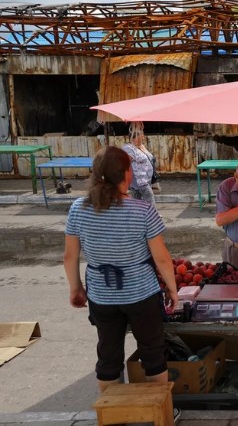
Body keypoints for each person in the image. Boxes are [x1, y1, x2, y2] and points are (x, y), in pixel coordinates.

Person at [63, 146, 178, 394]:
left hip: (101, 296)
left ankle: (113, 416)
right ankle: (160, 414)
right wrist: (172, 289)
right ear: (128, 174)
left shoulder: (78, 209)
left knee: (108, 355)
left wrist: (76, 289)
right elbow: (163, 259)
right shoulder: (143, 210)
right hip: (142, 296)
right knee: (152, 353)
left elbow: (69, 257)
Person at [122, 122, 156, 206]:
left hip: (145, 181)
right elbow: (125, 164)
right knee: (149, 199)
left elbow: (150, 158)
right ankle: (153, 215)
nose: (143, 138)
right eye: (141, 136)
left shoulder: (141, 147)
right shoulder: (129, 148)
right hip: (140, 181)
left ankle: (136, 215)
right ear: (135, 137)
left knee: (137, 202)